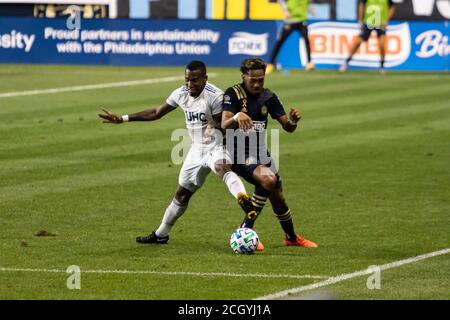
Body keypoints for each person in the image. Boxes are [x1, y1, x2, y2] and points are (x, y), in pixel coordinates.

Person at [98, 60, 259, 246]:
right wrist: (123, 119)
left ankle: (243, 199)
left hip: (217, 146)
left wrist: (213, 126)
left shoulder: (215, 96)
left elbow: (224, 124)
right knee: (182, 194)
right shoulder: (181, 93)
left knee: (222, 167)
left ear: (205, 78)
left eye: (195, 80)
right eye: (187, 80)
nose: (190, 84)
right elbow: (156, 112)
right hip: (196, 149)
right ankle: (161, 234)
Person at [221, 58, 317, 248]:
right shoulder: (233, 94)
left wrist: (293, 121)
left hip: (260, 153)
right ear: (244, 76)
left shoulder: (269, 97)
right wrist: (238, 116)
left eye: (261, 80)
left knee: (277, 195)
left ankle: (291, 238)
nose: (257, 84)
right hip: (237, 152)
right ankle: (245, 228)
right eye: (252, 80)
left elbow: (288, 128)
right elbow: (224, 124)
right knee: (268, 180)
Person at [339, 0, 397, 73]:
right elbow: (361, 5)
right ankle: (346, 62)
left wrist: (386, 21)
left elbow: (392, 7)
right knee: (357, 42)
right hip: (369, 21)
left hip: (381, 23)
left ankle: (382, 66)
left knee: (382, 44)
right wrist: (360, 21)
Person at [266, 0, 315, 74]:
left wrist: (312, 10)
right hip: (289, 21)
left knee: (306, 40)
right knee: (279, 42)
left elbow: (309, 3)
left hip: (302, 21)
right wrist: (285, 10)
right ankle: (270, 64)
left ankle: (309, 63)